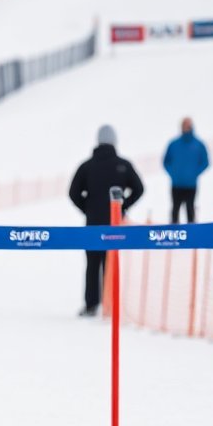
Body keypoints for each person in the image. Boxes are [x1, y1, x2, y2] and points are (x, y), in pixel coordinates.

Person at [69, 125, 144, 317]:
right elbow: (139, 188)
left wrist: (87, 208)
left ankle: (91, 305)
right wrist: (122, 207)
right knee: (112, 263)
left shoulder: (87, 166)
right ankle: (111, 304)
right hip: (114, 225)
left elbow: (73, 192)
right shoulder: (123, 165)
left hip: (92, 225)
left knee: (92, 265)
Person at [162, 117, 209, 223]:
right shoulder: (173, 144)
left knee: (190, 210)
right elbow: (165, 162)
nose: (186, 127)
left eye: (188, 125)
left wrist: (194, 173)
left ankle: (192, 236)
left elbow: (205, 162)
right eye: (184, 125)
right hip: (176, 184)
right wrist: (173, 173)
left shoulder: (199, 144)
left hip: (191, 185)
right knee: (175, 210)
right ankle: (174, 235)